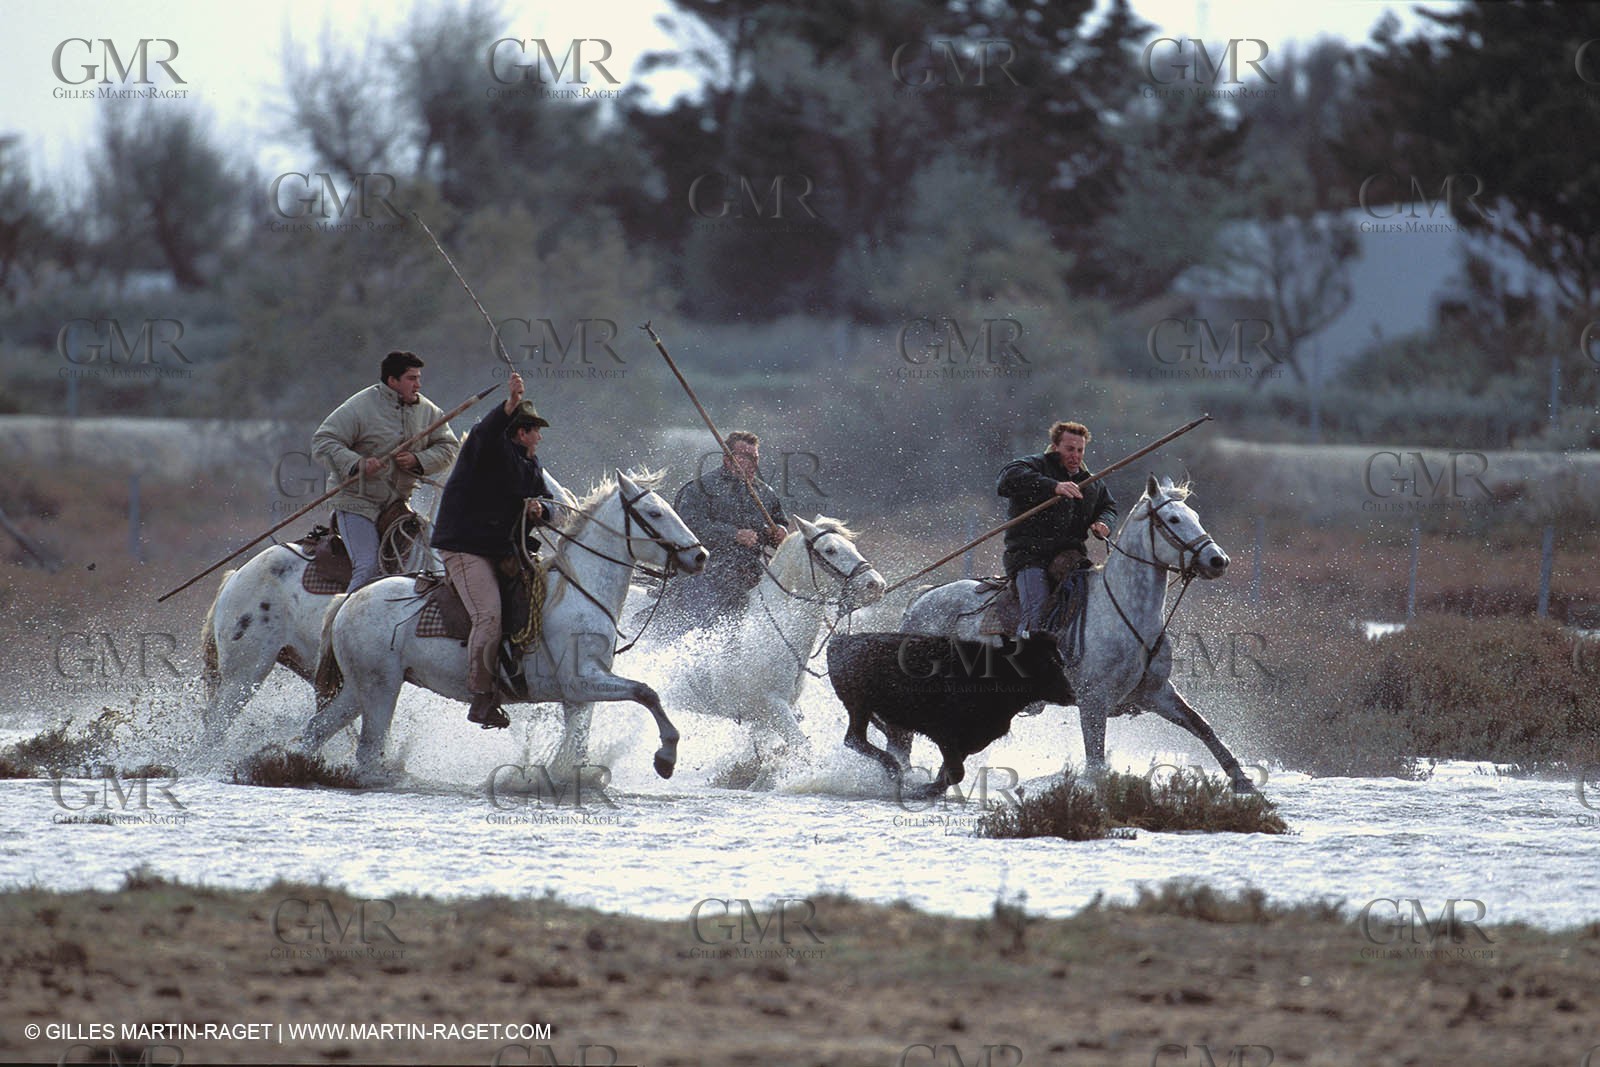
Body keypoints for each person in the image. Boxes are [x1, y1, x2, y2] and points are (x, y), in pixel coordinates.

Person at [430, 371, 555, 729]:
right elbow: (485, 430)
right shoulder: (486, 449)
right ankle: (481, 697)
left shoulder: (531, 464)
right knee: (489, 616)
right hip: (465, 547)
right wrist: (511, 403)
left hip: (500, 550)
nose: (540, 437)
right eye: (535, 430)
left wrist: (541, 510)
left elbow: (547, 502)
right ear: (521, 432)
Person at [311, 350, 460, 593]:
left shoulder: (429, 412)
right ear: (392, 381)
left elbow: (448, 447)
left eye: (419, 378)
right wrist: (358, 463)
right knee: (368, 567)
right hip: (357, 503)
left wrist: (418, 459)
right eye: (411, 378)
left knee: (430, 565)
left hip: (398, 507)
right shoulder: (360, 407)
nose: (418, 384)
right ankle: (340, 625)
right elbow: (323, 442)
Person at [657, 431, 788, 636]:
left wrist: (780, 533)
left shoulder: (765, 493)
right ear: (727, 459)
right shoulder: (699, 489)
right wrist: (732, 534)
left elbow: (779, 522)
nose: (752, 463)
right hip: (705, 575)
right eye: (744, 457)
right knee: (702, 628)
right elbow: (687, 527)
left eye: (755, 457)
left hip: (750, 577)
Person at [997, 421, 1118, 634]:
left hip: (1070, 560)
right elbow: (1006, 480)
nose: (1076, 455)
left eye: (1080, 450)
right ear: (1055, 447)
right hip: (1029, 557)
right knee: (1037, 612)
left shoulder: (1091, 483)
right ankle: (1026, 657)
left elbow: (1108, 507)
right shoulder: (1033, 466)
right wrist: (1053, 486)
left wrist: (1104, 524)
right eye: (1069, 449)